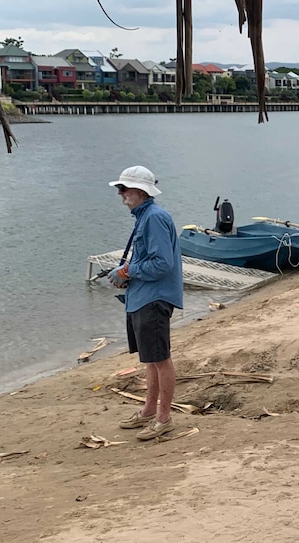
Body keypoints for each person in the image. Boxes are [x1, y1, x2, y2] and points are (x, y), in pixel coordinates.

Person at [109, 165, 184, 440]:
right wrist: (125, 272)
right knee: (151, 359)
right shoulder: (145, 216)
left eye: (123, 189)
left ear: (139, 192)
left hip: (154, 298)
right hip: (142, 297)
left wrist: (127, 272)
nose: (120, 195)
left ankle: (164, 418)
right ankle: (149, 411)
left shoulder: (153, 218)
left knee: (160, 359)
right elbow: (148, 257)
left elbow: (162, 264)